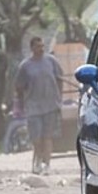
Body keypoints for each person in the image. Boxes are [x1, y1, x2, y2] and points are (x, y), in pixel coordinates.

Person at [14, 36, 66, 175]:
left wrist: (59, 98)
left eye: (42, 46)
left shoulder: (51, 61)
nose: (41, 49)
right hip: (33, 107)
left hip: (50, 105)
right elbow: (19, 86)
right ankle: (36, 161)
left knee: (47, 137)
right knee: (36, 139)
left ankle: (46, 165)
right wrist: (20, 105)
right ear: (32, 48)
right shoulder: (25, 66)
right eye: (38, 46)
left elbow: (59, 79)